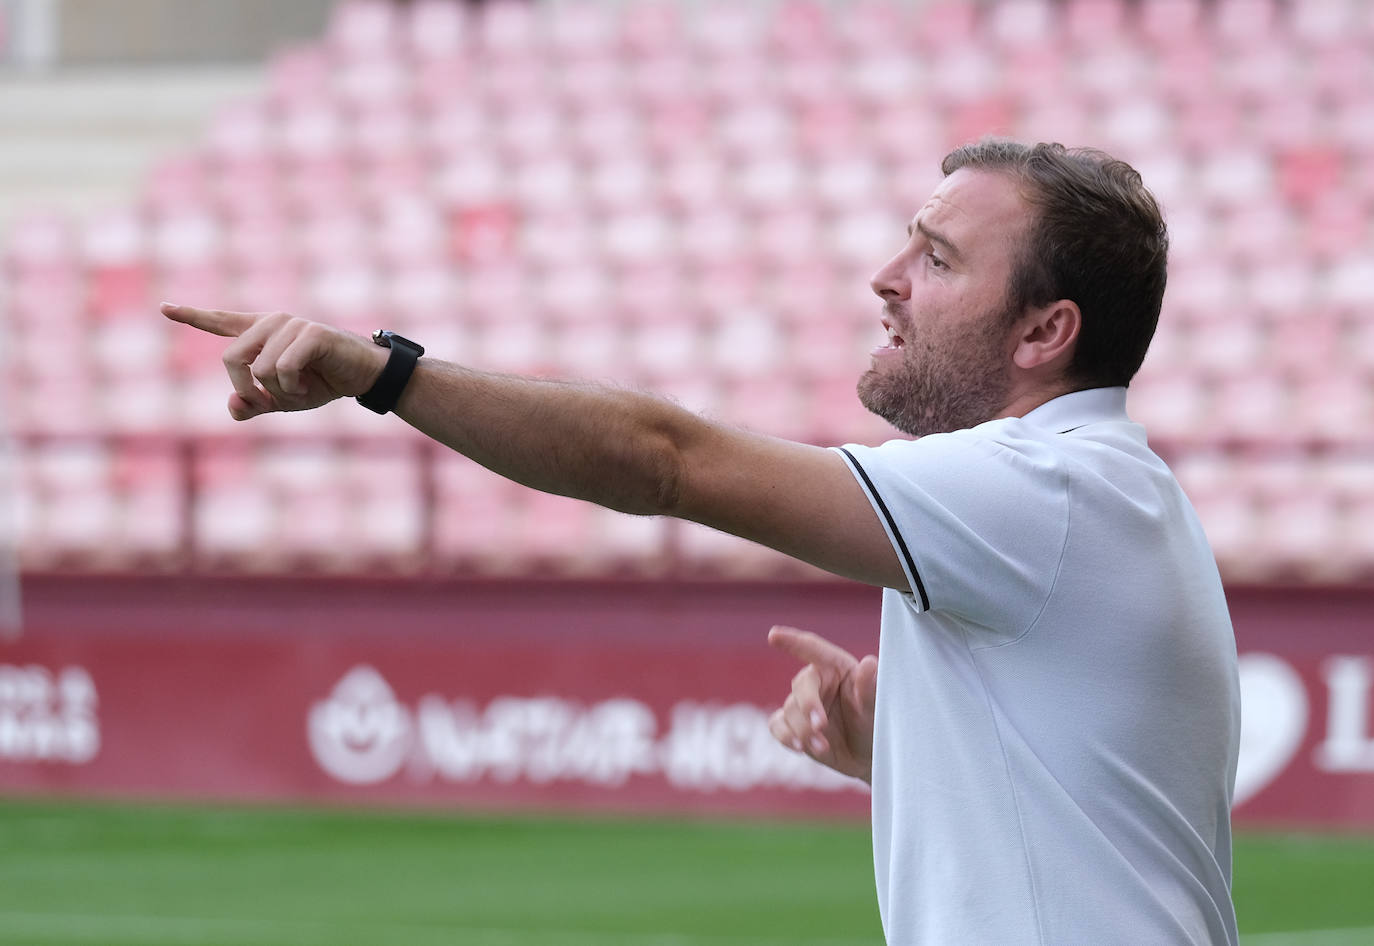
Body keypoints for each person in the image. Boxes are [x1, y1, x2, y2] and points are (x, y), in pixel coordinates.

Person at [164, 138, 1240, 945]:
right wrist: (908, 760)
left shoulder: (1040, 487)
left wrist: (380, 372)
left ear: (1046, 332)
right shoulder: (1093, 489)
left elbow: (662, 459)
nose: (887, 274)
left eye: (940, 258)